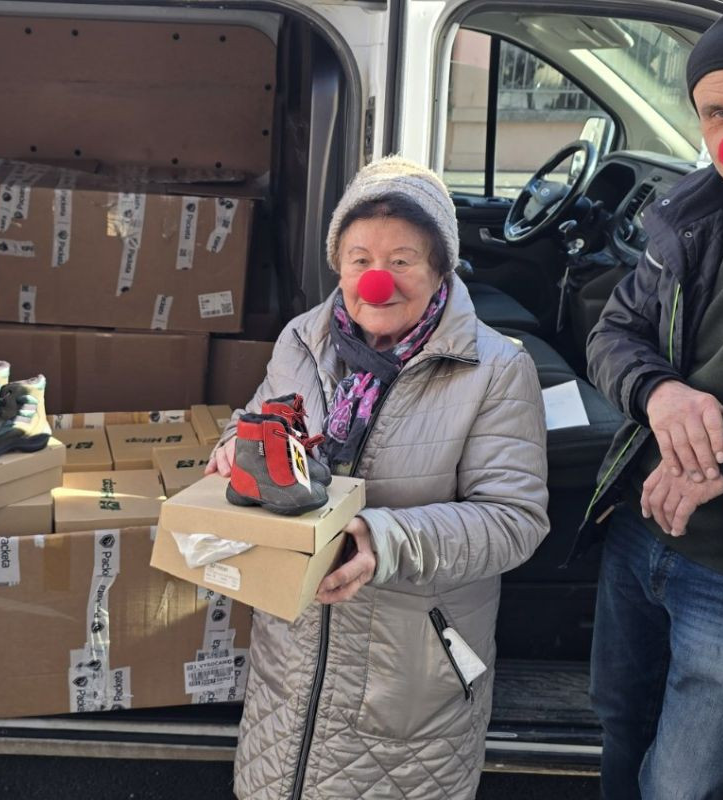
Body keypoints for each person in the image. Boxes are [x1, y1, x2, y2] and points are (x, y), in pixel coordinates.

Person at [206, 156, 549, 799]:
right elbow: (257, 422)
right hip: (293, 655)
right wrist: (234, 449)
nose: (376, 282)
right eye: (359, 259)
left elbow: (514, 519)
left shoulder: (496, 369)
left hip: (411, 674)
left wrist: (380, 539)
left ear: (441, 267)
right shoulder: (302, 340)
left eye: (403, 260)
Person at [578, 4, 723, 797]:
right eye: (720, 113)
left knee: (681, 783)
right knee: (620, 722)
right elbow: (614, 333)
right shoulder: (692, 211)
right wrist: (661, 394)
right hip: (643, 530)